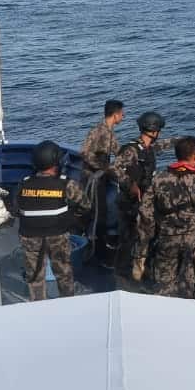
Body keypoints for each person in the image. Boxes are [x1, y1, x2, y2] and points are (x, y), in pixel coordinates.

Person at [133, 135, 195, 296]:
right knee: (193, 283)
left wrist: (144, 244)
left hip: (167, 240)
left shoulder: (159, 180)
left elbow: (145, 213)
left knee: (163, 284)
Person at [9, 141, 89, 301]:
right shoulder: (66, 184)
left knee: (35, 276)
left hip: (30, 237)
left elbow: (15, 209)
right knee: (63, 273)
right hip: (57, 236)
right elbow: (86, 205)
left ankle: (39, 307)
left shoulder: (23, 184)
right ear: (55, 163)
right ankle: (68, 302)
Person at [111, 111, 177, 283]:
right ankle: (122, 275)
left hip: (143, 202)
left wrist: (183, 142)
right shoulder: (131, 150)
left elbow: (162, 146)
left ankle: (138, 271)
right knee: (128, 239)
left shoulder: (147, 149)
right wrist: (129, 184)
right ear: (154, 131)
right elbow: (115, 169)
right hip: (129, 202)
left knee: (143, 236)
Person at [79, 99, 123, 266]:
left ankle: (103, 241)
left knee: (104, 209)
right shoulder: (97, 131)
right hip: (93, 178)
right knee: (99, 213)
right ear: (115, 114)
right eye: (121, 113)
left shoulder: (110, 133)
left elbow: (119, 152)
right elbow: (84, 153)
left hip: (102, 176)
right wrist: (102, 167)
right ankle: (97, 249)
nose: (123, 116)